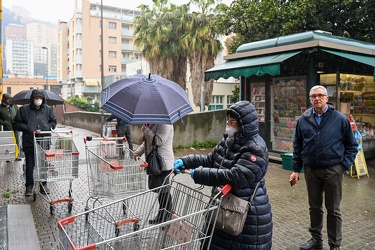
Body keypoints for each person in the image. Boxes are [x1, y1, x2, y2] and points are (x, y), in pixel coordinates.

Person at [173, 100, 273, 250]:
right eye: (228, 119)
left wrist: (199, 174)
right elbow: (210, 160)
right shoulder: (228, 140)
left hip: (245, 217)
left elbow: (236, 176)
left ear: (243, 123)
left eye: (232, 120)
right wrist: (186, 161)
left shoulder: (255, 148)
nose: (228, 123)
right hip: (223, 209)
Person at [290, 85, 358, 250]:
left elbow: (352, 146)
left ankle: (334, 245)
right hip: (311, 170)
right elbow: (297, 146)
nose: (317, 99)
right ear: (310, 99)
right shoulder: (304, 119)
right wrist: (296, 170)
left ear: (327, 98)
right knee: (314, 207)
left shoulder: (339, 119)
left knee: (333, 209)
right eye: (313, 96)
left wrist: (343, 166)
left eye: (320, 95)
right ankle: (316, 240)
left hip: (333, 170)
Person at [13, 89, 57, 196]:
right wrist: (27, 128)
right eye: (36, 98)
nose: (38, 100)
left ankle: (43, 185)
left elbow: (53, 121)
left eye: (40, 98)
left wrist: (49, 127)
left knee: (43, 165)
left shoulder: (47, 109)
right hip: (29, 142)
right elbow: (16, 123)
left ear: (43, 99)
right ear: (32, 99)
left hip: (43, 141)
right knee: (30, 166)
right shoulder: (24, 109)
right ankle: (29, 186)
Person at [133, 124, 174, 224]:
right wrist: (138, 152)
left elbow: (158, 141)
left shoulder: (165, 123)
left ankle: (167, 216)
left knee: (164, 191)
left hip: (162, 162)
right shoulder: (152, 122)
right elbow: (148, 142)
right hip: (154, 162)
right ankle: (162, 215)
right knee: (161, 191)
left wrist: (147, 131)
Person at [0, 93, 22, 161]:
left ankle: (16, 155)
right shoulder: (1, 108)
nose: (9, 100)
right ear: (4, 100)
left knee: (17, 141)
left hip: (16, 126)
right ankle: (8, 156)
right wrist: (4, 123)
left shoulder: (14, 106)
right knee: (9, 142)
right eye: (7, 99)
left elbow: (18, 114)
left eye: (10, 99)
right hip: (7, 127)